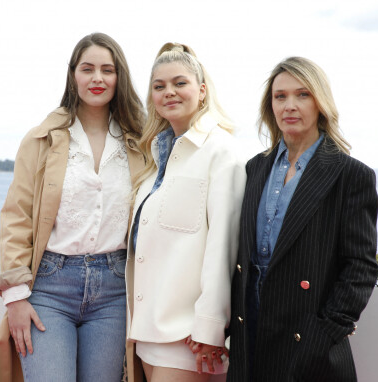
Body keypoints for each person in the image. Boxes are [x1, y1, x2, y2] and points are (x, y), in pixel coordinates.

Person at [0, 32, 145, 382]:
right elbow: (16, 217)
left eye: (108, 69)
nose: (98, 78)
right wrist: (14, 297)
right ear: (73, 74)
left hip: (115, 291)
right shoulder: (42, 138)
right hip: (49, 289)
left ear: (120, 77)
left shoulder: (140, 141)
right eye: (87, 69)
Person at [227, 57, 378, 382]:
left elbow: (361, 268)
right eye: (280, 96)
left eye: (303, 95)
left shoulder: (350, 175)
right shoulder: (255, 168)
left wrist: (322, 335)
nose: (290, 106)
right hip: (248, 335)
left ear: (320, 104)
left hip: (307, 344)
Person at [125, 43, 246, 382]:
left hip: (190, 340)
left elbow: (225, 247)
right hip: (146, 332)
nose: (169, 92)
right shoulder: (155, 160)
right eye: (159, 86)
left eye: (180, 83)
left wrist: (210, 329)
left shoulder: (223, 153)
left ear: (202, 90)